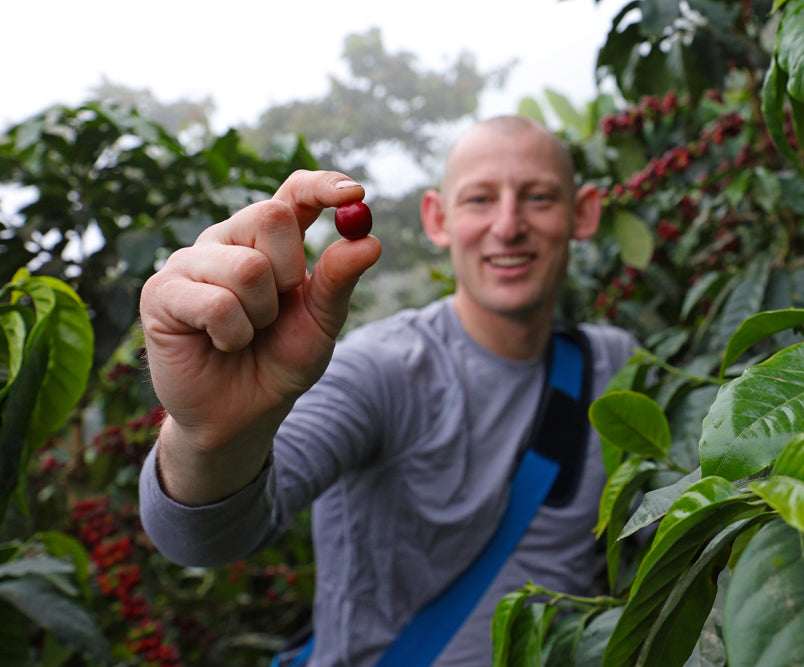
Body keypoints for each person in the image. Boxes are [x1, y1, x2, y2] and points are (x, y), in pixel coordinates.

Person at [138, 115, 638, 666]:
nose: (508, 225)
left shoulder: (618, 365)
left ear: (584, 212)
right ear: (437, 219)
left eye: (539, 197)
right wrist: (208, 437)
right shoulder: (382, 370)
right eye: (479, 200)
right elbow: (205, 539)